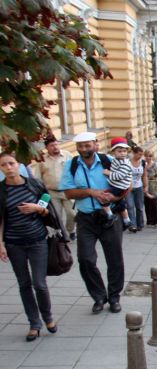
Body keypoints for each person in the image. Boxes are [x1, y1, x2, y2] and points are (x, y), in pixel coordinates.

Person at [60, 132, 125, 314]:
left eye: (87, 145)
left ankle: (114, 297)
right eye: (80, 146)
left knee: (115, 260)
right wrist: (90, 192)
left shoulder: (109, 161)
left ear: (95, 145)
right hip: (85, 218)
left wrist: (116, 196)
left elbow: (126, 183)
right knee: (85, 259)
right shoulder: (72, 165)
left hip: (109, 217)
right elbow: (68, 192)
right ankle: (98, 296)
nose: (84, 149)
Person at [0, 151, 57, 341]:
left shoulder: (34, 184)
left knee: (39, 283)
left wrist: (37, 208)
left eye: (11, 163)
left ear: (19, 165)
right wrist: (1, 244)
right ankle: (34, 323)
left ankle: (48, 318)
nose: (8, 168)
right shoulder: (2, 190)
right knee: (24, 284)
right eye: (4, 165)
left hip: (37, 240)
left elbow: (48, 209)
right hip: (14, 242)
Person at [32, 136, 75, 239]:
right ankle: (61, 233)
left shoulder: (67, 155)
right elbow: (37, 176)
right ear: (46, 147)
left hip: (67, 191)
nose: (55, 147)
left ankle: (71, 230)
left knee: (71, 213)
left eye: (56, 144)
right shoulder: (42, 159)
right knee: (56, 215)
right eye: (52, 145)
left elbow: (75, 170)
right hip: (52, 192)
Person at [101, 138, 133, 229]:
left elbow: (119, 176)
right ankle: (127, 220)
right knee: (121, 203)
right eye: (119, 151)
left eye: (124, 151)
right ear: (113, 152)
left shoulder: (125, 163)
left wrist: (108, 173)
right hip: (118, 185)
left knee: (103, 197)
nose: (123, 153)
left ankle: (110, 215)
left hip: (120, 187)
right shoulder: (116, 160)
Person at [126, 146, 147, 233]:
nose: (140, 156)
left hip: (139, 186)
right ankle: (132, 225)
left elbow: (145, 175)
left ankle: (140, 224)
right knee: (130, 206)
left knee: (139, 206)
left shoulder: (143, 163)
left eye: (142, 155)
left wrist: (146, 186)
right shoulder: (127, 162)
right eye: (139, 154)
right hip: (129, 187)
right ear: (134, 153)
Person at [143, 150, 157, 228]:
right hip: (145, 184)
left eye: (150, 156)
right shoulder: (143, 164)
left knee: (154, 203)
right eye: (147, 156)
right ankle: (149, 221)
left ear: (152, 156)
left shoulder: (154, 165)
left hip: (154, 184)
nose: (148, 157)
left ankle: (156, 221)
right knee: (147, 203)